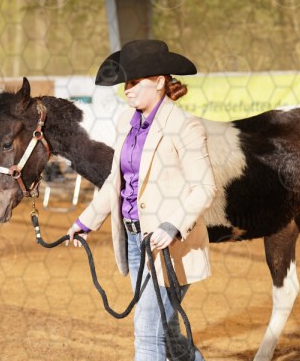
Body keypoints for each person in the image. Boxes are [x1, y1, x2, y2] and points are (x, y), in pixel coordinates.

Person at [67, 40, 217, 361]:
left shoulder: (184, 126)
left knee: (148, 335)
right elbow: (116, 181)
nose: (127, 90)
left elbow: (204, 187)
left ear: (160, 82)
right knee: (168, 333)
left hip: (169, 246)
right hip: (134, 243)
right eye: (126, 83)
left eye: (135, 82)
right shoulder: (126, 122)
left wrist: (172, 225)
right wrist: (85, 222)